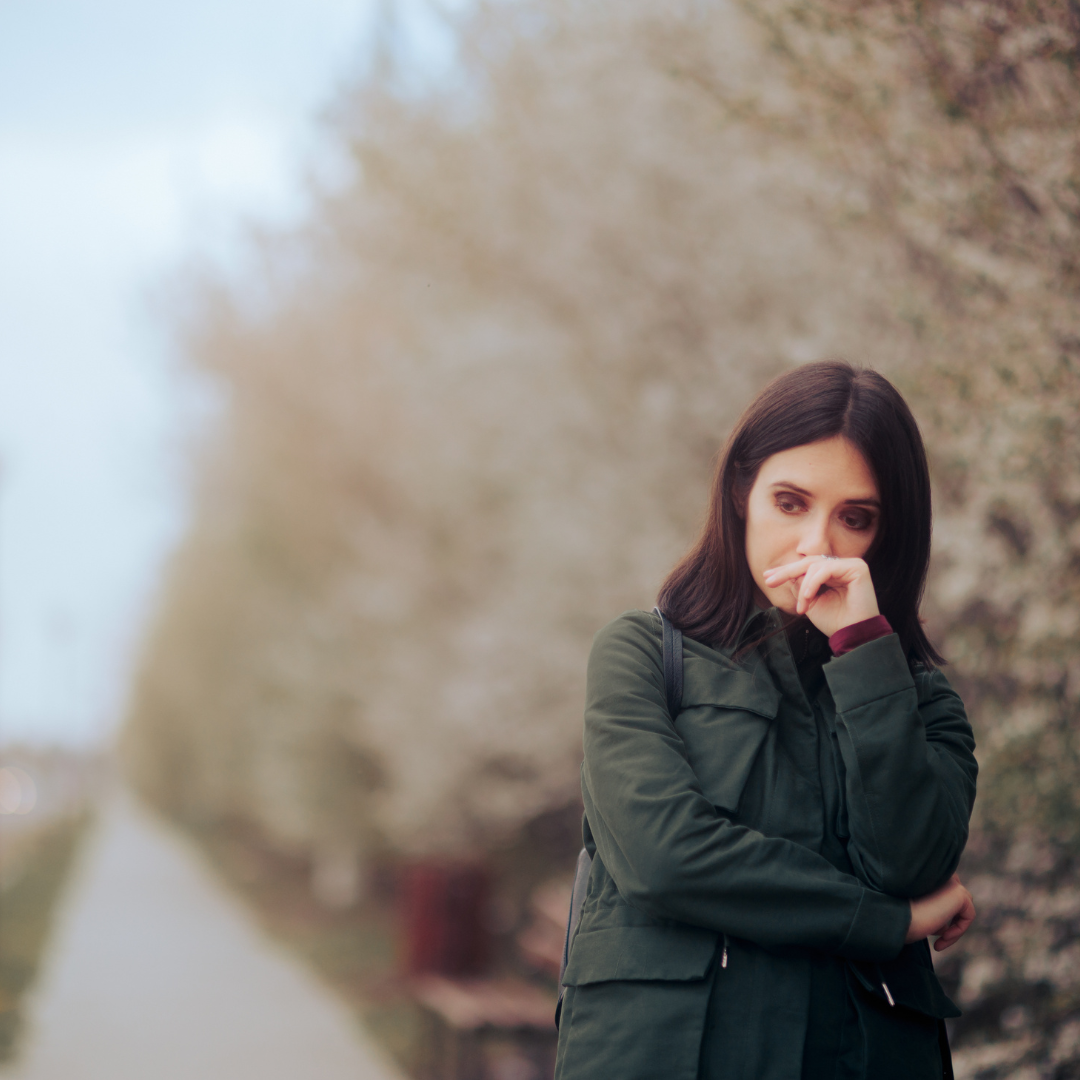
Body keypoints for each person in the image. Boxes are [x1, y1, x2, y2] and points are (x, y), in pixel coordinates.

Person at [554, 361, 978, 1080]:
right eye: (791, 502)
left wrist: (865, 652)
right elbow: (666, 859)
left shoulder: (922, 703)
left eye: (856, 517)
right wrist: (887, 924)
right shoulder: (639, 657)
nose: (818, 543)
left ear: (889, 537)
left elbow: (910, 863)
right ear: (740, 493)